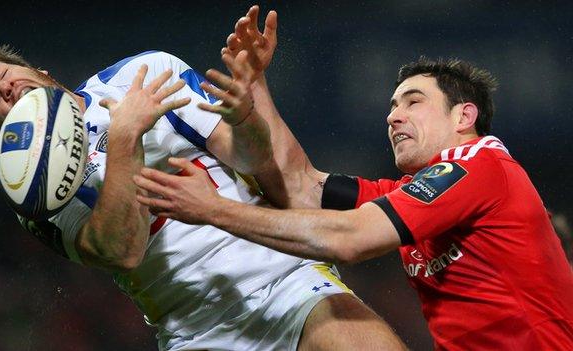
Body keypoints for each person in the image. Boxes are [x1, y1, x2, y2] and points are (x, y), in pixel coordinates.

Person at [132, 6, 573, 350]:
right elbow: (301, 186)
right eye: (392, 106)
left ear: (464, 115)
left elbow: (349, 240)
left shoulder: (479, 164)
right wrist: (257, 85)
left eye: (412, 102)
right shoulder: (412, 194)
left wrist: (213, 210)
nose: (393, 116)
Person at [0, 43, 407, 349]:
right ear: (4, 137)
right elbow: (122, 251)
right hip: (196, 330)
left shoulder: (139, 74)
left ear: (38, 71)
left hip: (284, 279)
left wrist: (245, 117)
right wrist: (126, 133)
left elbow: (251, 161)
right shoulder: (33, 191)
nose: (2, 87)